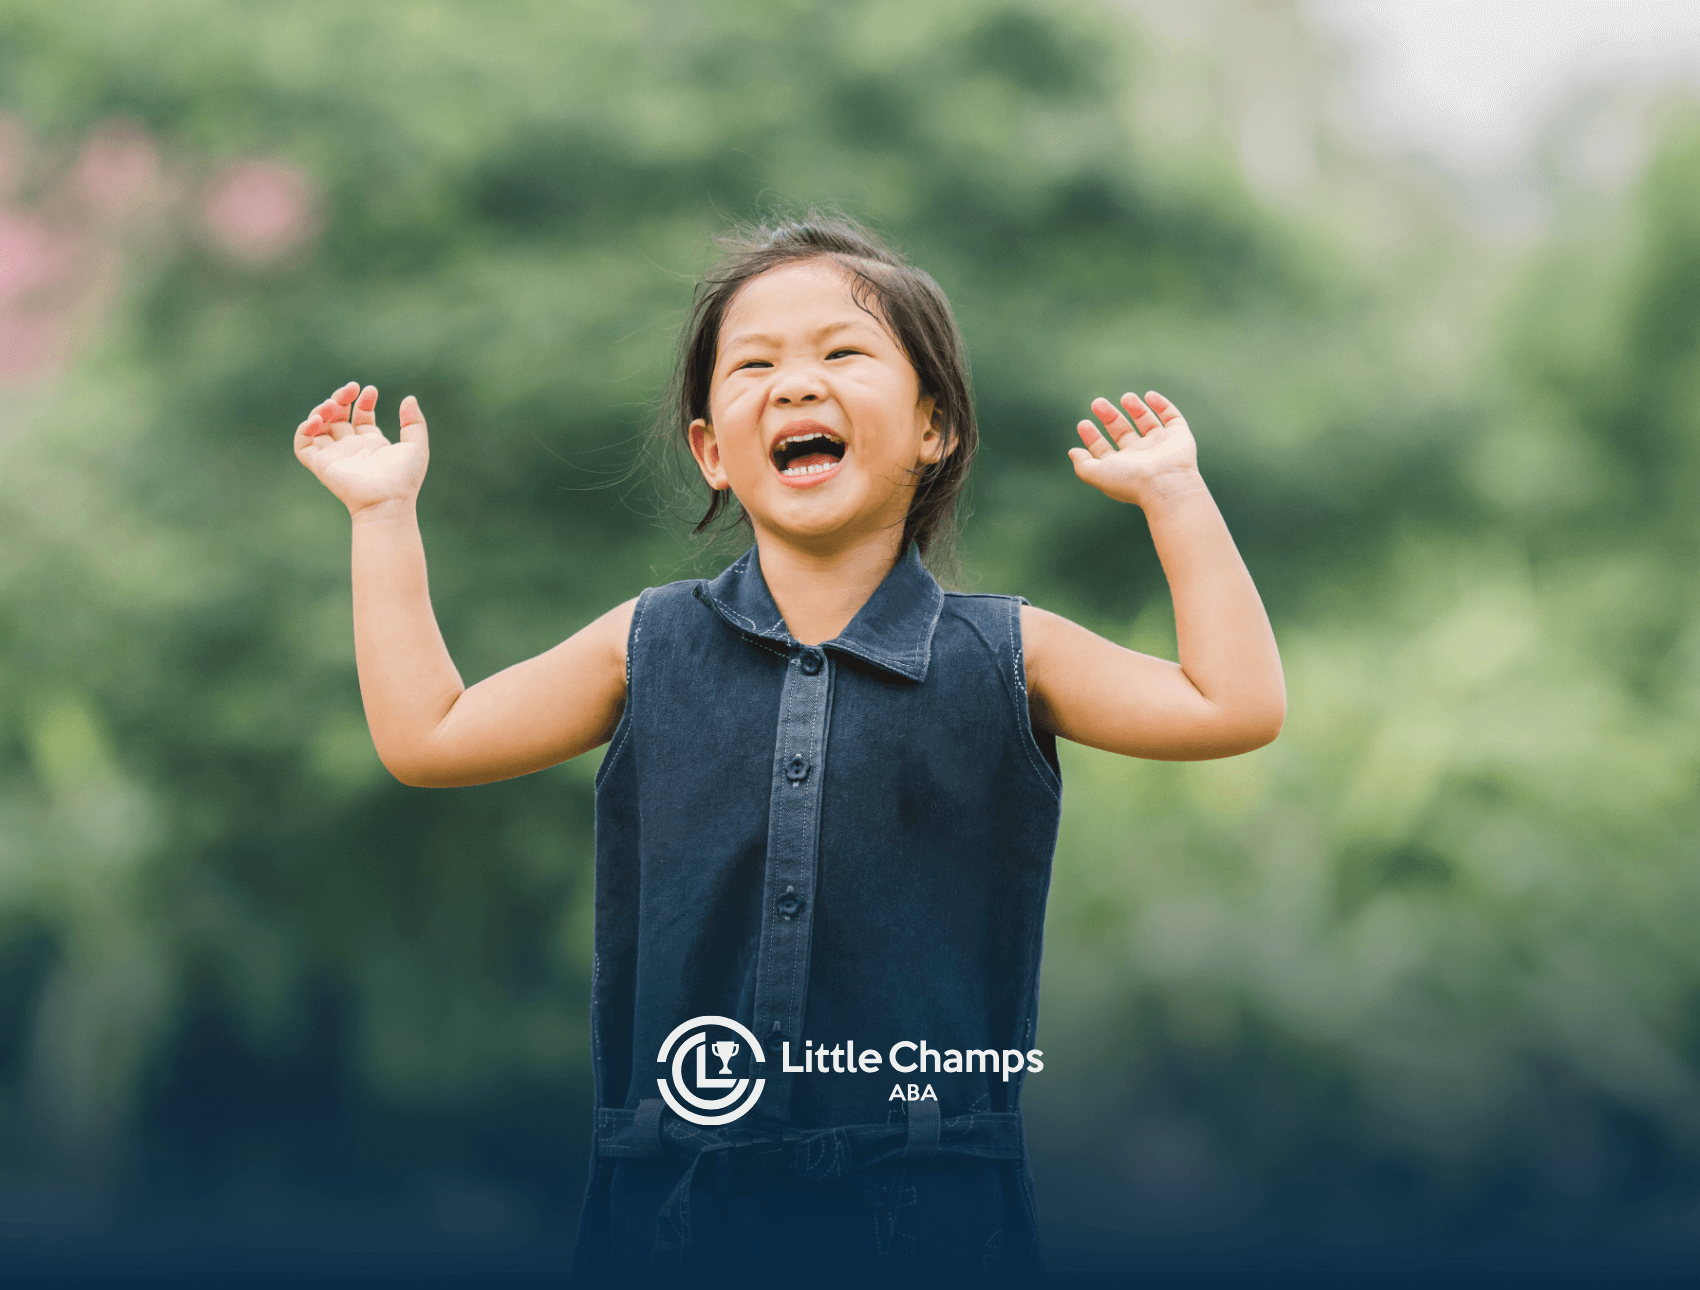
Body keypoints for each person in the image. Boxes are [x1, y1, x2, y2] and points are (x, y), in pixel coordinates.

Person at [292, 216, 1285, 1282]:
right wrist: (383, 513)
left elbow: (1232, 705)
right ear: (711, 450)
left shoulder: (1008, 651)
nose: (796, 384)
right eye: (754, 364)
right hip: (673, 1203)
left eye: (842, 354)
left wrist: (1174, 495)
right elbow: (426, 737)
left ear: (932, 427)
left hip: (933, 1209)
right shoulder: (643, 644)